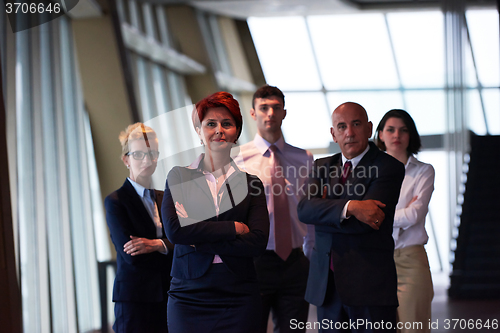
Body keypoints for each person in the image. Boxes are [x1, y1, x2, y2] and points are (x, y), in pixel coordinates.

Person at [161, 91, 270, 333]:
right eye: (210, 124)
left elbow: (257, 242)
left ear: (236, 133)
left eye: (227, 123)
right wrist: (233, 228)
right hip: (188, 295)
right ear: (199, 131)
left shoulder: (252, 184)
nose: (219, 130)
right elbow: (176, 231)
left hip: (239, 294)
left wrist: (197, 238)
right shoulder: (179, 176)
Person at [297, 102, 405, 333]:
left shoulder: (388, 167)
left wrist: (325, 211)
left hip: (369, 287)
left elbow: (368, 223)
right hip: (327, 287)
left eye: (356, 124)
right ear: (333, 134)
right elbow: (304, 210)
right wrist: (352, 206)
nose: (349, 132)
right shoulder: (321, 166)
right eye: (342, 126)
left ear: (368, 128)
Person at [233, 85, 314, 333]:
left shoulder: (304, 159)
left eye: (276, 108)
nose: (270, 113)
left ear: (284, 113)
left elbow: (311, 212)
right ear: (253, 113)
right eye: (264, 108)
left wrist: (312, 255)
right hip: (255, 260)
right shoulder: (237, 159)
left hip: (296, 260)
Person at [105, 123, 173, 333]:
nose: (146, 160)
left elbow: (186, 242)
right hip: (136, 299)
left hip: (170, 294)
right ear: (126, 159)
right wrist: (168, 248)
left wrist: (156, 244)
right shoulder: (116, 201)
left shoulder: (166, 198)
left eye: (151, 153)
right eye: (138, 154)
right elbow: (132, 254)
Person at [375, 109, 434, 333]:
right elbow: (363, 216)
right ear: (380, 134)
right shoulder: (370, 172)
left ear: (411, 135)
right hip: (375, 259)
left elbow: (415, 215)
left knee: (414, 329)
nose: (396, 135)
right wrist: (402, 213)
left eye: (403, 130)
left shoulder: (423, 172)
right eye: (390, 129)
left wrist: (378, 214)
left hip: (410, 259)